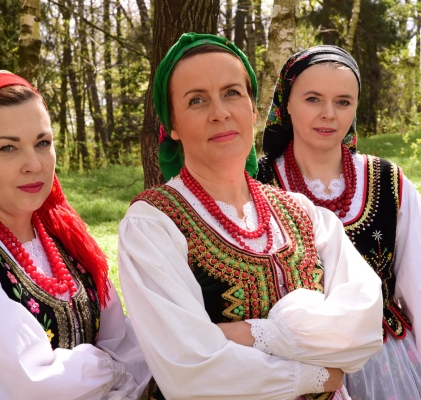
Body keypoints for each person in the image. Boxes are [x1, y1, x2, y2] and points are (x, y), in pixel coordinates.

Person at [117, 32, 383, 400]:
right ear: (172, 125)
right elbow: (191, 370)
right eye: (197, 100)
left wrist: (258, 335)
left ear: (253, 110)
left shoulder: (303, 212)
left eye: (232, 93)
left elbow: (363, 327)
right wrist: (318, 376)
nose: (220, 113)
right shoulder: (152, 224)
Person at [0, 71, 151, 399]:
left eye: (42, 143)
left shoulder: (62, 239)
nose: (34, 164)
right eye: (8, 148)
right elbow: (26, 386)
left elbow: (125, 346)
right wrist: (112, 367)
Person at [257, 45, 421, 400]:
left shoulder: (386, 180)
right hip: (289, 364)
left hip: (382, 365)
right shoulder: (257, 183)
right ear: (287, 103)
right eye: (313, 99)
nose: (329, 114)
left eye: (343, 102)